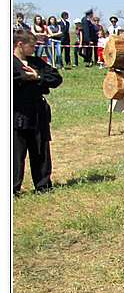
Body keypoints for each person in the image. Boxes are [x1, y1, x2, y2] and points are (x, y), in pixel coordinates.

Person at [13, 28, 64, 194]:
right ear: (20, 45)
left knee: (40, 151)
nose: (34, 49)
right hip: (17, 114)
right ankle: (12, 188)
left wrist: (38, 77)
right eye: (32, 46)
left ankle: (43, 185)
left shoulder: (36, 62)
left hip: (38, 113)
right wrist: (27, 78)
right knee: (16, 154)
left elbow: (56, 78)